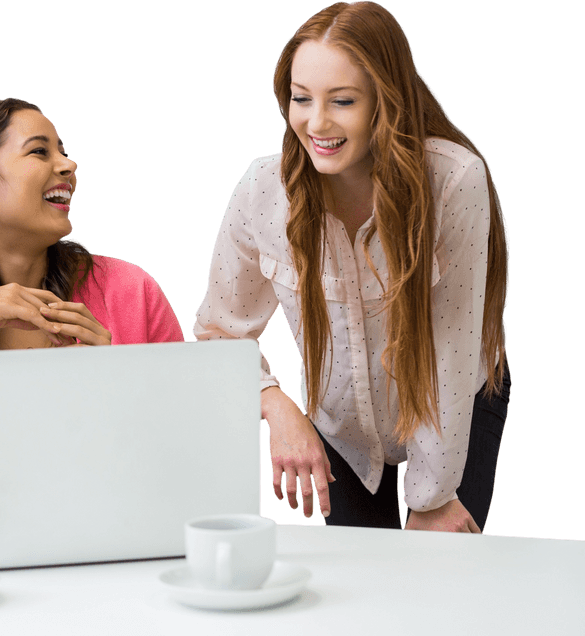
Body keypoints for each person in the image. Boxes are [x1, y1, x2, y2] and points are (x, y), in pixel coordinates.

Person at [194, 1, 510, 532]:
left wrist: (433, 499)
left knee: (441, 583)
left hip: (455, 403)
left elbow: (450, 349)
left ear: (386, 101)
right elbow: (220, 329)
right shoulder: (261, 190)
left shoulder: (454, 180)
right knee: (365, 588)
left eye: (342, 101)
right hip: (342, 425)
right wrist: (277, 406)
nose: (316, 123)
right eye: (301, 99)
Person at [0, 98, 185, 496]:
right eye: (39, 151)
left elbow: (189, 455)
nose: (68, 165)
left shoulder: (131, 291)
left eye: (63, 151)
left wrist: (117, 384)